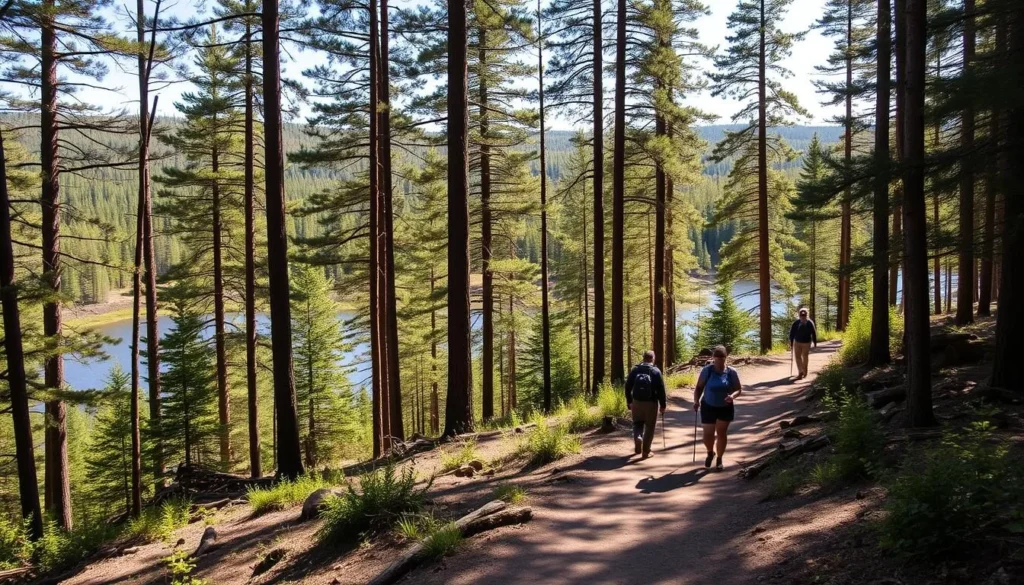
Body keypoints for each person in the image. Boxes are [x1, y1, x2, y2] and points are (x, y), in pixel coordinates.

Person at [693, 345, 742, 471]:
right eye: (717, 358)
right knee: (707, 435)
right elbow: (699, 387)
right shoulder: (707, 371)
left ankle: (719, 459)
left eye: (722, 358)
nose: (720, 360)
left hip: (725, 406)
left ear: (726, 357)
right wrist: (696, 401)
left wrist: (732, 396)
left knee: (721, 433)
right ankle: (710, 452)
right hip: (708, 405)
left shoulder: (731, 372)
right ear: (713, 358)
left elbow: (738, 389)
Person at [624, 350, 667, 459]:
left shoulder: (635, 370)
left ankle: (638, 437)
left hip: (637, 402)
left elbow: (627, 386)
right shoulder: (656, 371)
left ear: (643, 358)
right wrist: (663, 405)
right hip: (651, 403)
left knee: (637, 424)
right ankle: (646, 452)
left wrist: (629, 401)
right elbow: (661, 389)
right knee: (650, 427)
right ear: (653, 359)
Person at [788, 308, 818, 379]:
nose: (803, 317)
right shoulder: (796, 323)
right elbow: (792, 333)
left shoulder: (810, 323)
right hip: (797, 342)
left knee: (805, 356)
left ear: (806, 315)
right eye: (801, 315)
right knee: (798, 357)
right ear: (799, 315)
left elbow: (813, 333)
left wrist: (815, 342)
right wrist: (791, 342)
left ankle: (804, 370)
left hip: (806, 343)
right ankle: (800, 372)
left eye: (804, 315)